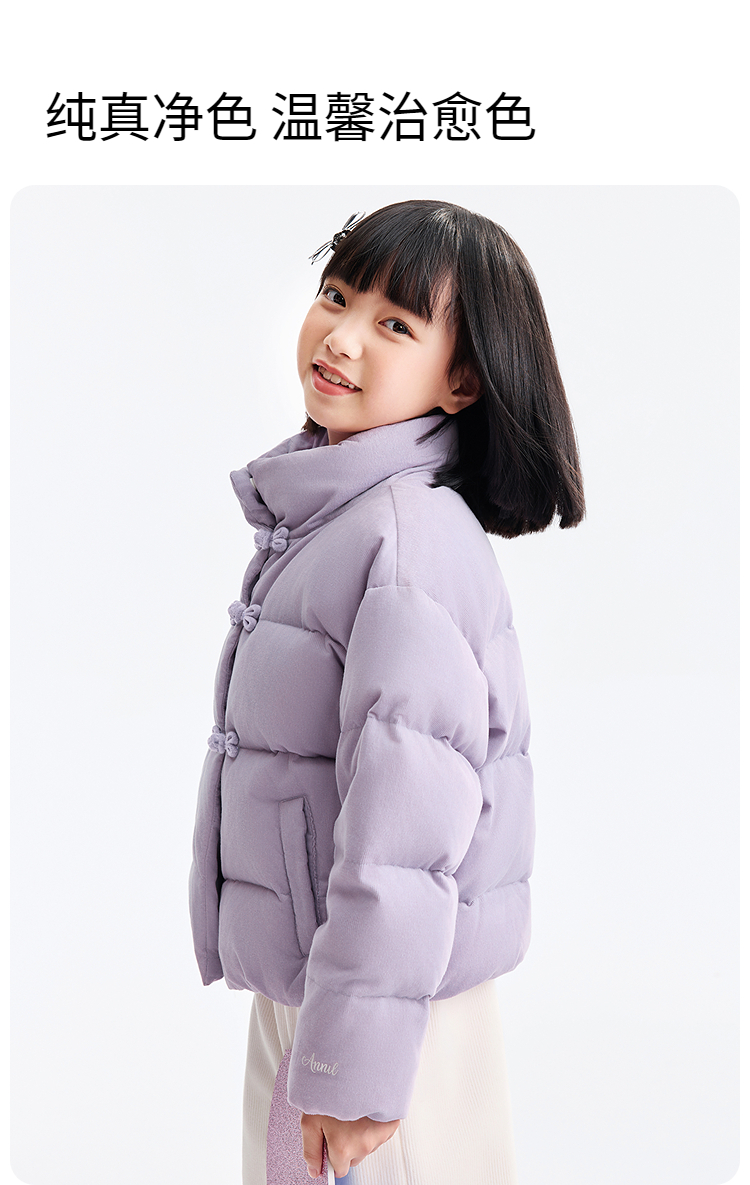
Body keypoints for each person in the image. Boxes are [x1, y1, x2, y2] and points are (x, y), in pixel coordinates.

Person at [189, 199, 585, 1183]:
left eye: (394, 324)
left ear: (462, 380)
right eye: (336, 296)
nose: (342, 335)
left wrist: (357, 1062)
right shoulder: (337, 519)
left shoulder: (404, 539)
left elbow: (408, 827)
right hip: (325, 984)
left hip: (391, 1015)